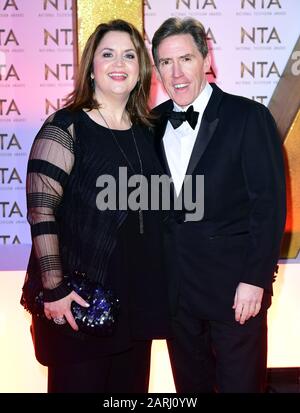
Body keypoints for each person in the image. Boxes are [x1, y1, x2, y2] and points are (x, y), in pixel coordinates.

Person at [20, 19, 171, 393]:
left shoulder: (149, 131)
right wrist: (54, 289)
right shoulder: (67, 126)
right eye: (108, 54)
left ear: (141, 69)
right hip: (81, 303)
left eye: (129, 56)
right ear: (91, 66)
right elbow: (41, 210)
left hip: (137, 305)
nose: (118, 63)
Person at [151, 17, 286, 393]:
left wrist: (255, 279)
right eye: (165, 62)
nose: (176, 73)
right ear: (156, 68)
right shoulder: (151, 123)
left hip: (235, 292)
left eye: (186, 59)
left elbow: (269, 205)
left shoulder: (248, 117)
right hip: (175, 293)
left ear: (206, 59)